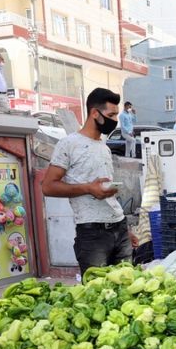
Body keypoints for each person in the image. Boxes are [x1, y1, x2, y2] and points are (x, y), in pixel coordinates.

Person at [42, 88, 136, 276]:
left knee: (128, 289)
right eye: (111, 115)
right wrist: (88, 188)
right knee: (97, 295)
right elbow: (48, 186)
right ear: (95, 113)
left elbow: (106, 193)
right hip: (92, 233)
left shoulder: (104, 147)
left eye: (117, 115)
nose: (115, 120)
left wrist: (126, 230)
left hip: (119, 227)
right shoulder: (69, 144)